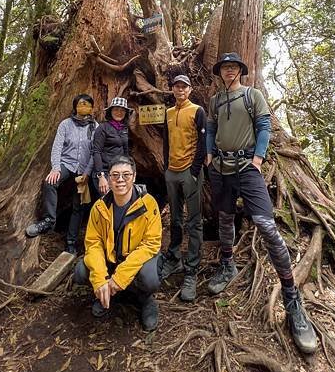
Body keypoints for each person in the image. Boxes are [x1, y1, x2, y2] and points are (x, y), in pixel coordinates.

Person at [206, 53, 317, 354]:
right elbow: (212, 129)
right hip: (220, 168)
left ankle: (292, 299)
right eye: (224, 68)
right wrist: (208, 154)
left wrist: (258, 157)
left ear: (240, 71)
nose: (228, 71)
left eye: (233, 67)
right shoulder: (215, 100)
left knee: (267, 227)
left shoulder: (253, 95)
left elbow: (264, 127)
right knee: (225, 218)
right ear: (220, 73)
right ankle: (228, 264)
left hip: (247, 168)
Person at [73, 156, 162, 331]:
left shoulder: (148, 204)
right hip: (111, 261)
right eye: (115, 175)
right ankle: (106, 294)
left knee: (150, 278)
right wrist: (100, 279)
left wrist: (120, 277)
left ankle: (145, 300)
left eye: (126, 175)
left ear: (134, 177)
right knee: (81, 271)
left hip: (135, 262)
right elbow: (93, 243)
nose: (120, 180)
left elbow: (151, 244)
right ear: (109, 178)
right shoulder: (99, 207)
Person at [26, 94, 97, 254]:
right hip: (67, 164)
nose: (83, 106)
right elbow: (57, 147)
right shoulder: (66, 124)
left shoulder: (95, 127)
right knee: (50, 183)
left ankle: (71, 241)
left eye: (87, 104)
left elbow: (95, 152)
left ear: (92, 108)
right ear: (75, 107)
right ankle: (48, 220)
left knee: (79, 205)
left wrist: (87, 172)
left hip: (84, 169)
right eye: (80, 104)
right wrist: (56, 168)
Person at [161, 74, 206, 302]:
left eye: (184, 87)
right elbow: (166, 141)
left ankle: (192, 269)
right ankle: (174, 256)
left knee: (194, 220)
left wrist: (195, 170)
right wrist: (166, 166)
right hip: (172, 171)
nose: (180, 90)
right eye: (176, 87)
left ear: (189, 90)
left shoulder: (197, 111)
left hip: (190, 171)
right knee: (175, 218)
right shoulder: (168, 113)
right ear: (172, 90)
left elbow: (203, 142)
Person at [84, 97, 133, 199]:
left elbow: (125, 152)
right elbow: (96, 152)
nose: (119, 112)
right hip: (104, 172)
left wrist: (129, 171)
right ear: (110, 111)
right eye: (116, 109)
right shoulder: (103, 128)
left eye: (122, 110)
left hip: (119, 172)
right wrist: (101, 176)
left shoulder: (124, 128)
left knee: (121, 202)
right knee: (108, 202)